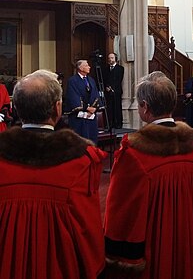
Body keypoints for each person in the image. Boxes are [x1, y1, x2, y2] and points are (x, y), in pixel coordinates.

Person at [104, 71, 193, 279]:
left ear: (144, 107)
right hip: (187, 241)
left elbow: (121, 213)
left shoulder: (134, 153)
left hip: (154, 247)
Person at [0, 70, 105, 279]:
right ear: (58, 108)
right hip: (62, 265)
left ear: (17, 109)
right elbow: (88, 231)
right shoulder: (82, 161)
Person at [65, 59, 100, 143]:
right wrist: (87, 108)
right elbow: (73, 97)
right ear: (80, 68)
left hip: (91, 117)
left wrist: (94, 108)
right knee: (80, 142)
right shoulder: (72, 81)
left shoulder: (91, 80)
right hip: (78, 118)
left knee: (92, 141)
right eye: (86, 65)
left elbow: (95, 95)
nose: (89, 67)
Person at [103, 52, 124, 129]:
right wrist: (107, 87)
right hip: (108, 91)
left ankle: (118, 123)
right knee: (109, 108)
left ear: (115, 59)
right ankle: (110, 123)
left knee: (117, 107)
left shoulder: (120, 68)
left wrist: (112, 88)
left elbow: (118, 80)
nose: (110, 59)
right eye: (109, 58)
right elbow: (105, 80)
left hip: (116, 91)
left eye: (112, 58)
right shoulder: (105, 69)